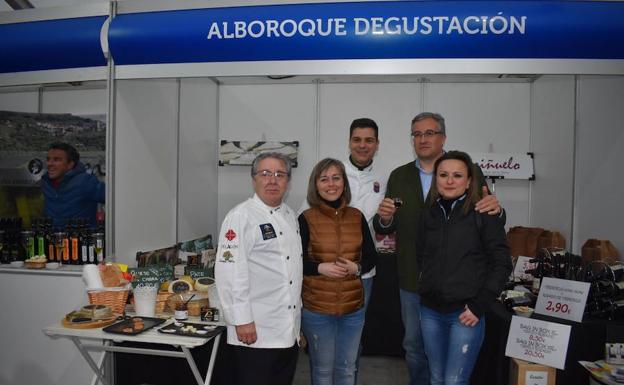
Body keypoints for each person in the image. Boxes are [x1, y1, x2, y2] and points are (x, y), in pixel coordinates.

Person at [374, 112, 503, 385]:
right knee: (414, 347)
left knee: (453, 365)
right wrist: (384, 219)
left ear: (443, 137)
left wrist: (498, 208)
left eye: (429, 133)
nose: (423, 139)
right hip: (414, 280)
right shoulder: (399, 176)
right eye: (417, 134)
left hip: (461, 287)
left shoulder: (470, 170)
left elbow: (489, 217)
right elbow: (386, 226)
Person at [417, 151, 512, 385]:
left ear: (469, 181)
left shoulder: (484, 214)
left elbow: (502, 263)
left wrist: (479, 305)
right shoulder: (429, 215)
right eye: (444, 175)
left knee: (454, 381)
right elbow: (422, 256)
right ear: (435, 179)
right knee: (436, 378)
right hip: (430, 312)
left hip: (466, 314)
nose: (450, 181)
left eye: (457, 175)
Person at [215, 152, 302, 385]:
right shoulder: (240, 217)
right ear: (254, 179)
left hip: (286, 330)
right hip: (255, 330)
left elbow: (291, 274)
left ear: (288, 181)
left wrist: (295, 325)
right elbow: (230, 273)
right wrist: (241, 320)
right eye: (265, 174)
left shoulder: (290, 215)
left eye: (279, 174)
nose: (272, 180)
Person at [299, 158, 378, 385]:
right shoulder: (306, 218)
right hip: (317, 309)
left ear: (344, 183)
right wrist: (319, 268)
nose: (330, 184)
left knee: (347, 369)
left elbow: (372, 257)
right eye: (324, 179)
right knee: (323, 371)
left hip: (353, 309)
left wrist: (358, 267)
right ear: (315, 185)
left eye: (336, 178)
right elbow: (294, 262)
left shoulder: (357, 216)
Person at [41, 142, 105, 229]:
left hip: (80, 240)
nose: (49, 164)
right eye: (48, 159)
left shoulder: (84, 182)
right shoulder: (46, 183)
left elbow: (115, 200)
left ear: (70, 164)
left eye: (56, 160)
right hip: (54, 240)